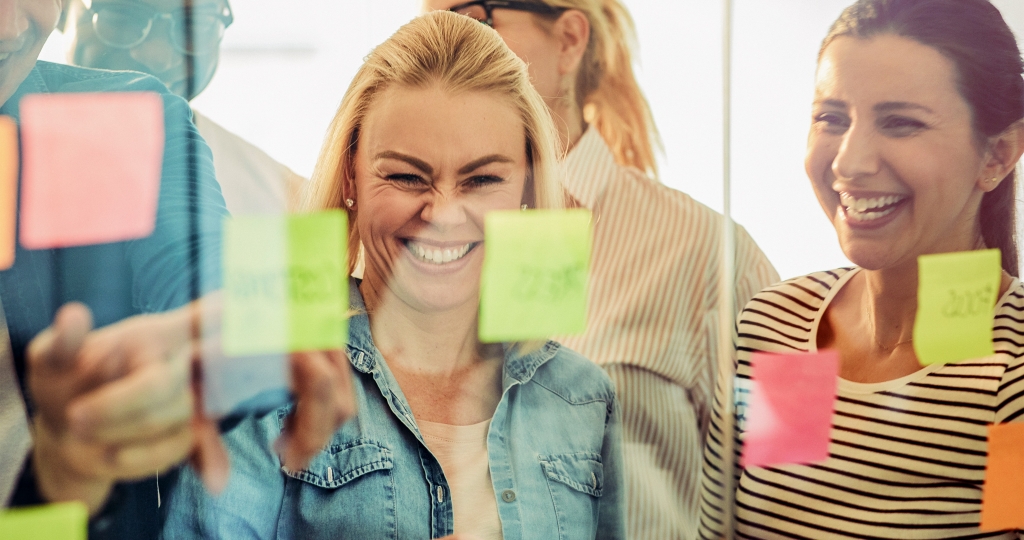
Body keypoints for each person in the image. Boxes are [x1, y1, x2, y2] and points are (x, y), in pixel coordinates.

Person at [163, 10, 625, 540]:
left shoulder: (583, 397)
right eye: (406, 176)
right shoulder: (266, 374)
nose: (443, 213)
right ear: (351, 177)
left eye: (481, 180)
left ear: (526, 188)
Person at [424, 1, 780, 538]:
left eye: (474, 18)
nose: (446, 53)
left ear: (569, 40)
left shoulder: (715, 250)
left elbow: (801, 476)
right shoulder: (399, 251)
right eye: (430, 29)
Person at [0, 1, 354, 538]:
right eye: (125, 15)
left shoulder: (119, 122)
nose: (9, 24)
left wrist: (223, 333)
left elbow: (197, 268)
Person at [698, 0, 1024, 538]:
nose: (849, 163)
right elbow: (771, 516)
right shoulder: (777, 327)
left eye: (901, 123)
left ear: (998, 155)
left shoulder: (1010, 372)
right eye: (831, 118)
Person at [61, 0, 306, 214]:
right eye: (122, 16)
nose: (159, 57)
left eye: (195, 24)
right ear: (58, 8)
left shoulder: (288, 205)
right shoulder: (36, 166)